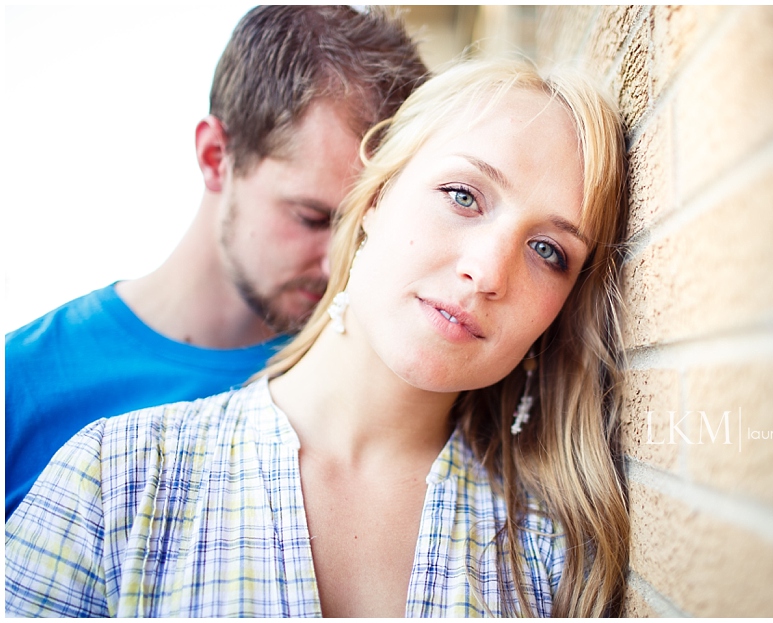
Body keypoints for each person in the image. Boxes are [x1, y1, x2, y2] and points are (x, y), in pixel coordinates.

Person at [6, 58, 630, 617]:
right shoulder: (116, 479)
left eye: (548, 250)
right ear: (378, 194)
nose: (489, 272)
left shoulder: (551, 558)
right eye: (463, 195)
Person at [4, 6, 427, 518]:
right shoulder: (22, 384)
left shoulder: (375, 391)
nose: (341, 260)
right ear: (214, 155)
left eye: (362, 228)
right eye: (313, 217)